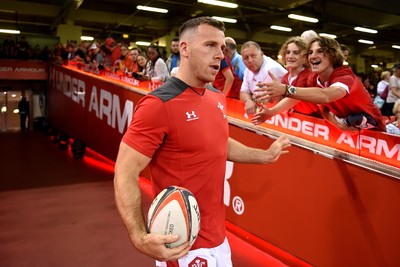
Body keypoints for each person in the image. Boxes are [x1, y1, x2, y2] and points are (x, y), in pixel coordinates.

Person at [113, 16, 291, 267]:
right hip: (182, 247)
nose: (220, 55)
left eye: (221, 47)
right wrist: (138, 236)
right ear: (184, 49)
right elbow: (125, 170)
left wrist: (265, 155)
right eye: (210, 45)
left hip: (219, 239)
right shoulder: (158, 104)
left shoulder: (216, 97)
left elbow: (220, 143)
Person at [253, 36, 385, 132]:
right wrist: (272, 112)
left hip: (375, 134)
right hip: (348, 131)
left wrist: (285, 89)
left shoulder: (345, 77)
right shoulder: (314, 79)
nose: (313, 56)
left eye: (320, 51)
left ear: (333, 55)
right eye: (310, 52)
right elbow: (322, 108)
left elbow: (325, 96)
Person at [251, 36, 320, 125]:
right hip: (297, 121)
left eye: (296, 53)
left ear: (304, 57)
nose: (290, 56)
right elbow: (284, 99)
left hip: (314, 122)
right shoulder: (286, 76)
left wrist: (273, 111)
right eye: (288, 52)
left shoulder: (308, 76)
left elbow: (294, 97)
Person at [240, 41, 287, 115]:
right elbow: (242, 92)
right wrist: (247, 100)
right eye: (246, 58)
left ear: (261, 54)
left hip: (283, 112)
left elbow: (268, 101)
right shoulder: (248, 70)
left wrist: (252, 98)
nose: (250, 60)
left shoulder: (271, 69)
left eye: (253, 56)